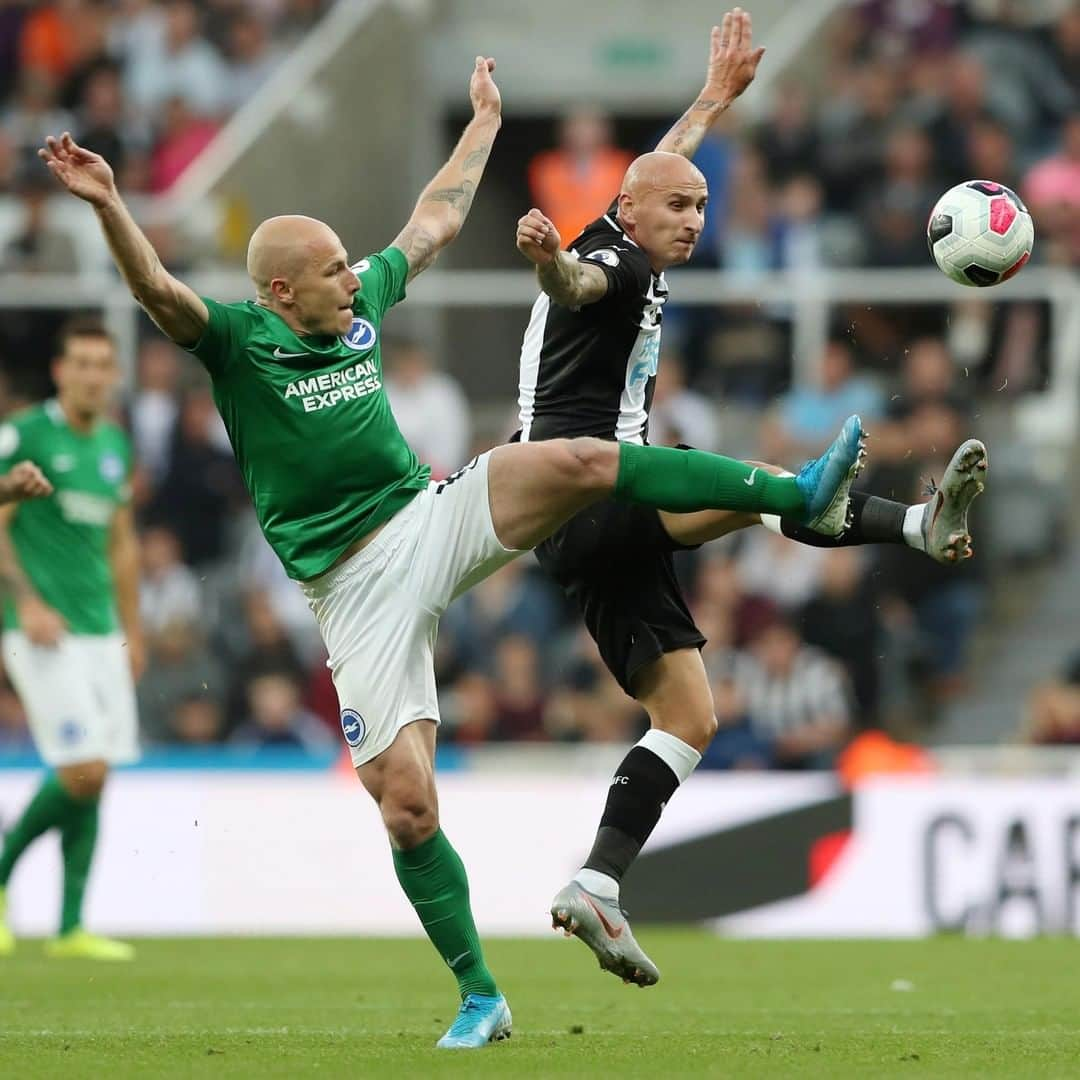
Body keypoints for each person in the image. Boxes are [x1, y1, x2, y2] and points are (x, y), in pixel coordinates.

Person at [38, 56, 863, 1049]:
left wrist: (483, 122)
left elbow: (432, 220)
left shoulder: (356, 312)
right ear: (278, 289)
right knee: (407, 808)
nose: (357, 278)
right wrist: (109, 205)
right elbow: (156, 290)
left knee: (576, 455)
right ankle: (482, 994)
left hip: (427, 517)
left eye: (353, 265)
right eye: (335, 271)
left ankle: (795, 493)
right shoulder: (235, 341)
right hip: (350, 590)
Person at [513, 9, 988, 987]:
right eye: (677, 208)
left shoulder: (629, 221)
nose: (693, 218)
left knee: (688, 715)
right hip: (581, 483)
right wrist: (547, 264)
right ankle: (892, 519)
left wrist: (712, 101)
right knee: (746, 486)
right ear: (631, 214)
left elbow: (657, 167)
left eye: (699, 206)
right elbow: (579, 286)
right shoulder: (614, 259)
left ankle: (598, 882)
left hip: (591, 520)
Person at [0, 319, 143, 961]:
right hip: (39, 630)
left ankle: (69, 928)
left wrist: (132, 631)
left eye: (101, 364)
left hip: (99, 631)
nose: (92, 375)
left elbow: (120, 543)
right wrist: (26, 601)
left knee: (96, 773)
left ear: (113, 375)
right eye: (80, 363)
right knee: (81, 769)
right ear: (59, 371)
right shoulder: (26, 433)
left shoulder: (114, 444)